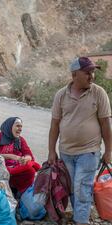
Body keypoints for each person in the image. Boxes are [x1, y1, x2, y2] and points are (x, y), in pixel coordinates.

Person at [48, 57, 112, 225]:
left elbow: (105, 123)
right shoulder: (61, 95)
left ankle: (81, 220)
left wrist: (108, 151)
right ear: (74, 74)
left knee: (82, 188)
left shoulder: (99, 93)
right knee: (72, 189)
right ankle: (80, 216)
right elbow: (55, 124)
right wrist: (51, 150)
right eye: (87, 72)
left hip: (89, 151)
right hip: (66, 152)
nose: (92, 76)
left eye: (92, 72)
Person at [0, 117, 40, 194]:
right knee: (31, 168)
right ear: (10, 126)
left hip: (15, 169)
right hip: (1, 168)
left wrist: (25, 159)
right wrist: (11, 156)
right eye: (17, 126)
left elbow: (29, 155)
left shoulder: (20, 140)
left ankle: (20, 193)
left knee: (31, 171)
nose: (20, 129)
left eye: (21, 127)